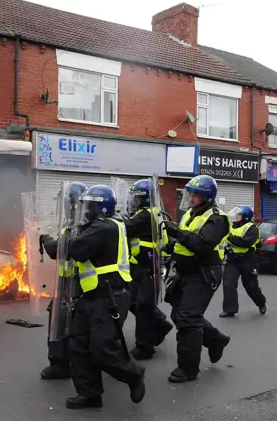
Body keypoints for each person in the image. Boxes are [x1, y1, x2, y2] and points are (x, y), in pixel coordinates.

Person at [63, 184, 145, 409]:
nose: (87, 209)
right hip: (90, 295)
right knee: (78, 346)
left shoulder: (104, 227)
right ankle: (89, 394)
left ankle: (134, 375)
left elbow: (77, 249)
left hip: (108, 297)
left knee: (102, 349)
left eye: (91, 205)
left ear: (102, 208)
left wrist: (51, 243)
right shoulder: (98, 226)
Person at [162, 175, 231, 383]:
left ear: (207, 198)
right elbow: (185, 242)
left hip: (204, 273)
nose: (191, 198)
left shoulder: (217, 219)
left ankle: (188, 368)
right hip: (186, 271)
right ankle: (216, 339)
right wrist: (170, 247)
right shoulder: (191, 214)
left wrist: (178, 233)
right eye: (190, 194)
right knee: (177, 314)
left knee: (188, 318)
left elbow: (202, 244)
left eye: (196, 195)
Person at [38, 182, 87, 380]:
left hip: (74, 285)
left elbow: (57, 249)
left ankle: (60, 365)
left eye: (67, 201)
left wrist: (46, 240)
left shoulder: (78, 227)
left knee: (58, 322)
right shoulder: (77, 223)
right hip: (77, 283)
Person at [124, 178, 174, 360]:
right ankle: (160, 324)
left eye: (136, 197)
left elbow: (126, 228)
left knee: (143, 306)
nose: (133, 200)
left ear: (145, 198)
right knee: (134, 303)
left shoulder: (146, 215)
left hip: (147, 266)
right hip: (140, 265)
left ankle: (145, 347)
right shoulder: (147, 212)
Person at [220, 205, 267, 318]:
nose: (237, 217)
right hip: (233, 260)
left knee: (251, 286)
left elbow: (246, 242)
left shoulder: (252, 228)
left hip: (248, 259)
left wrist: (230, 238)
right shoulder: (231, 227)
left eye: (239, 215)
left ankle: (261, 303)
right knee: (228, 284)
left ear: (246, 217)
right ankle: (230, 310)